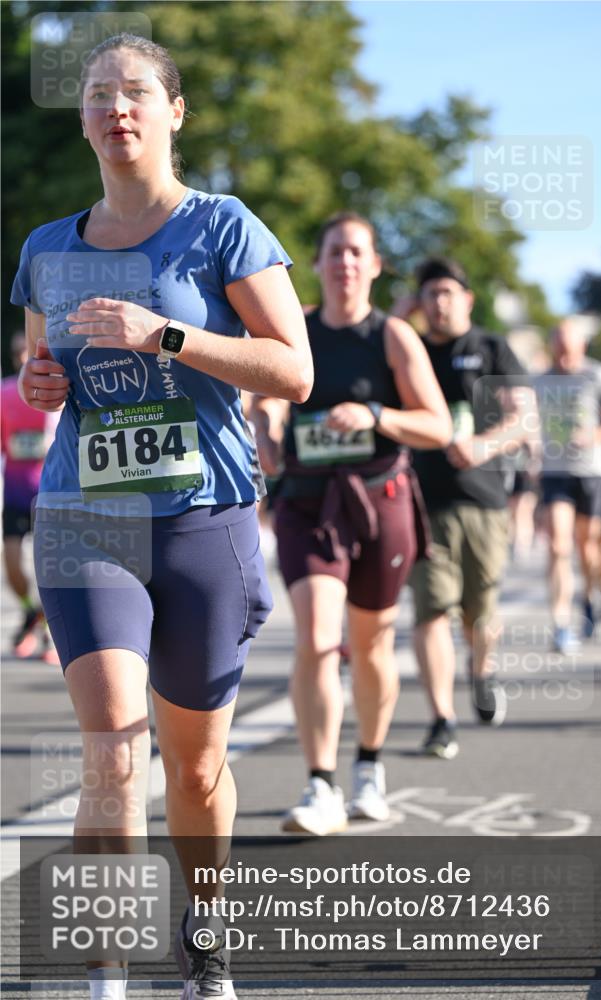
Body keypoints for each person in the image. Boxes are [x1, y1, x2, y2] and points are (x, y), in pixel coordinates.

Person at [11, 33, 312, 1000]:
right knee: (112, 743)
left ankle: (206, 943)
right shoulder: (46, 249)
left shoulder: (221, 227)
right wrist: (41, 377)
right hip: (83, 512)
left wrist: (170, 335)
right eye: (98, 95)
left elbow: (292, 369)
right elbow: (42, 374)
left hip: (202, 516)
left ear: (173, 112)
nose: (115, 110)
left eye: (135, 92)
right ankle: (106, 975)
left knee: (194, 771)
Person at [251, 213, 451, 836]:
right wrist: (267, 429)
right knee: (316, 639)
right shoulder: (297, 329)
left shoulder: (391, 336)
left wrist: (373, 414)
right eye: (334, 251)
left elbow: (438, 425)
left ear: (375, 265)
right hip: (308, 501)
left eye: (356, 253)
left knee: (370, 645)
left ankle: (368, 764)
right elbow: (268, 394)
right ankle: (320, 783)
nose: (344, 263)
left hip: (380, 499)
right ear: (316, 262)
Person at [394, 258, 531, 759]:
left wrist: (483, 445)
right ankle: (441, 718)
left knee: (479, 614)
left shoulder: (491, 348)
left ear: (467, 299)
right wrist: (398, 314)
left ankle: (481, 671)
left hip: (483, 501)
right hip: (422, 501)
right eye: (429, 293)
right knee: (431, 612)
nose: (439, 301)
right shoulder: (408, 348)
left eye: (448, 292)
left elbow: (523, 420)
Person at [534, 319, 601, 654]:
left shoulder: (600, 376)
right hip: (554, 473)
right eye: (557, 351)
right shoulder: (538, 381)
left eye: (569, 352)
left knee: (588, 546)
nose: (563, 358)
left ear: (582, 347)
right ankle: (560, 624)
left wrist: (594, 436)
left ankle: (590, 597)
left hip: (592, 471)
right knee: (559, 546)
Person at [1, 332, 58, 661]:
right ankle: (30, 611)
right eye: (19, 352)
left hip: (50, 491)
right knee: (11, 566)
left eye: (28, 351)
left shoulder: (57, 392)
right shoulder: (5, 393)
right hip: (17, 492)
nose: (24, 357)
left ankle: (51, 631)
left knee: (48, 567)